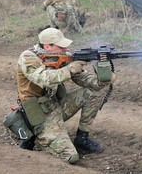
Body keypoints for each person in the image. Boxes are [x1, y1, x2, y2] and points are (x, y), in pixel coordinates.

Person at [15, 27, 115, 164]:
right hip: (39, 114)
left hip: (57, 105)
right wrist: (69, 69)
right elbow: (44, 78)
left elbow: (85, 80)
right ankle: (35, 136)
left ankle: (82, 138)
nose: (65, 49)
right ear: (47, 46)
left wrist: (103, 79)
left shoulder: (63, 57)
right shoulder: (28, 57)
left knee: (93, 92)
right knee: (70, 156)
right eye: (60, 46)